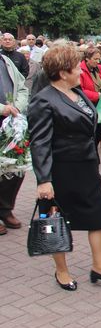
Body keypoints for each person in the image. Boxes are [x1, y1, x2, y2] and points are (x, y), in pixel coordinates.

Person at [29, 45, 101, 291]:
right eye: (74, 68)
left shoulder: (78, 93)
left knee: (98, 216)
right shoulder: (43, 100)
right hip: (61, 170)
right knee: (55, 221)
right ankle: (61, 270)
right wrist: (43, 179)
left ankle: (99, 266)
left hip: (87, 167)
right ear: (62, 73)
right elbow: (39, 142)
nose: (79, 72)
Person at [0, 53, 29, 235]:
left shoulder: (5, 60)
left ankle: (5, 208)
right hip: (4, 113)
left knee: (15, 167)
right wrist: (3, 108)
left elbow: (23, 88)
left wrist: (16, 106)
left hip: (11, 122)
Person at [79, 47, 101, 149]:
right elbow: (81, 89)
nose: (98, 61)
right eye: (95, 59)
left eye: (99, 59)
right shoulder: (80, 70)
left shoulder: (100, 69)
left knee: (100, 130)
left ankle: (94, 147)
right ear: (87, 58)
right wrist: (96, 95)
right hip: (88, 104)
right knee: (91, 129)